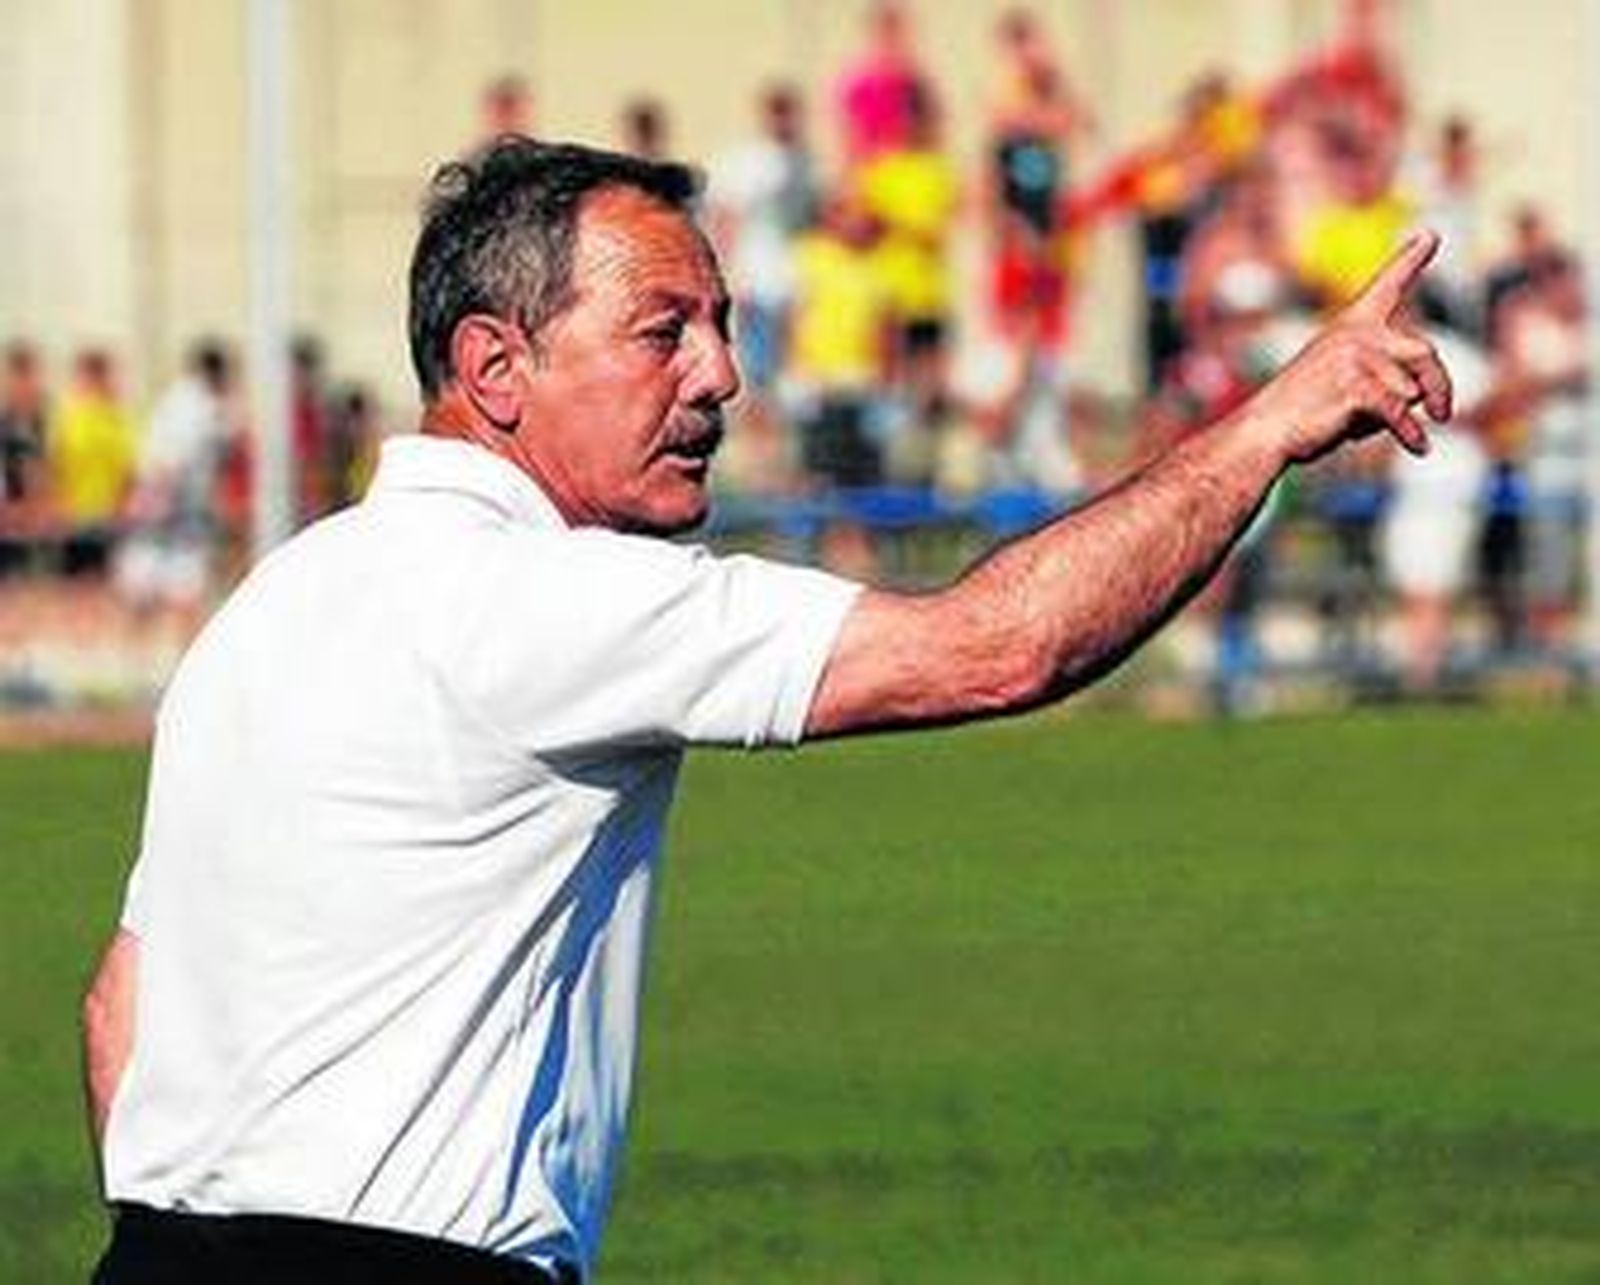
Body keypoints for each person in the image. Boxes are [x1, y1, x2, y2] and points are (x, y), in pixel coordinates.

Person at [83, 138, 1451, 1284]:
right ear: (495, 370)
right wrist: (1274, 422)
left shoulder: (267, 607)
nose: (720, 376)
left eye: (723, 325)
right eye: (662, 330)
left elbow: (120, 1009)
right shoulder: (549, 597)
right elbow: (1001, 646)